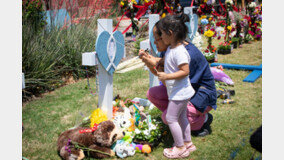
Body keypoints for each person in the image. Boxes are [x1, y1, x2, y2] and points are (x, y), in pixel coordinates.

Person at [139, 15, 217, 137]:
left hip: (200, 95)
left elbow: (171, 81)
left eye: (157, 38)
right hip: (183, 91)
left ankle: (203, 119)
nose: (154, 42)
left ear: (169, 35)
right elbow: (163, 77)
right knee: (152, 94)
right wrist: (150, 64)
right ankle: (179, 115)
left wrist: (155, 63)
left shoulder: (186, 54)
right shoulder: (168, 49)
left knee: (167, 118)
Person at [140, 14, 195, 159]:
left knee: (171, 118)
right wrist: (156, 60)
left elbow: (185, 71)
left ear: (170, 34)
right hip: (179, 92)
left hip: (180, 93)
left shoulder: (180, 51)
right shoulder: (172, 48)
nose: (160, 37)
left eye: (162, 34)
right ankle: (188, 143)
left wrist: (167, 76)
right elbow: (169, 61)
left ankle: (179, 147)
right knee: (182, 117)